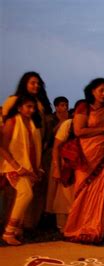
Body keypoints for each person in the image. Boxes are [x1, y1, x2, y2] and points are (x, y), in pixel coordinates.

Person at [63, 78, 104, 243]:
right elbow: (78, 131)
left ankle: (96, 231)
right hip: (87, 156)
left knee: (101, 194)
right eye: (101, 90)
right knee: (83, 191)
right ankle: (76, 229)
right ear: (92, 90)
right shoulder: (83, 106)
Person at [2, 72, 53, 229]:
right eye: (32, 83)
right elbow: (6, 131)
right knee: (19, 193)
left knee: (32, 192)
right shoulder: (13, 102)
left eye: (38, 83)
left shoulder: (40, 104)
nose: (35, 86)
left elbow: (43, 128)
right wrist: (13, 162)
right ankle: (9, 227)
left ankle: (24, 227)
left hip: (36, 152)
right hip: (15, 156)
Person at [1, 95, 43, 245]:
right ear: (19, 107)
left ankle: (18, 230)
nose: (31, 110)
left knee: (26, 195)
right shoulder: (12, 121)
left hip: (29, 167)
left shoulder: (32, 123)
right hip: (14, 166)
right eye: (28, 107)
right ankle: (9, 232)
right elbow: (3, 147)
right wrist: (17, 166)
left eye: (33, 107)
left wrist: (36, 168)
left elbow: (33, 147)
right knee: (26, 194)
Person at [45, 103, 76, 233]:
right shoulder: (68, 124)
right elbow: (56, 147)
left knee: (72, 196)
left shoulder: (86, 125)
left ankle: (71, 226)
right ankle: (62, 226)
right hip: (63, 163)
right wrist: (57, 169)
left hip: (76, 164)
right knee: (62, 195)